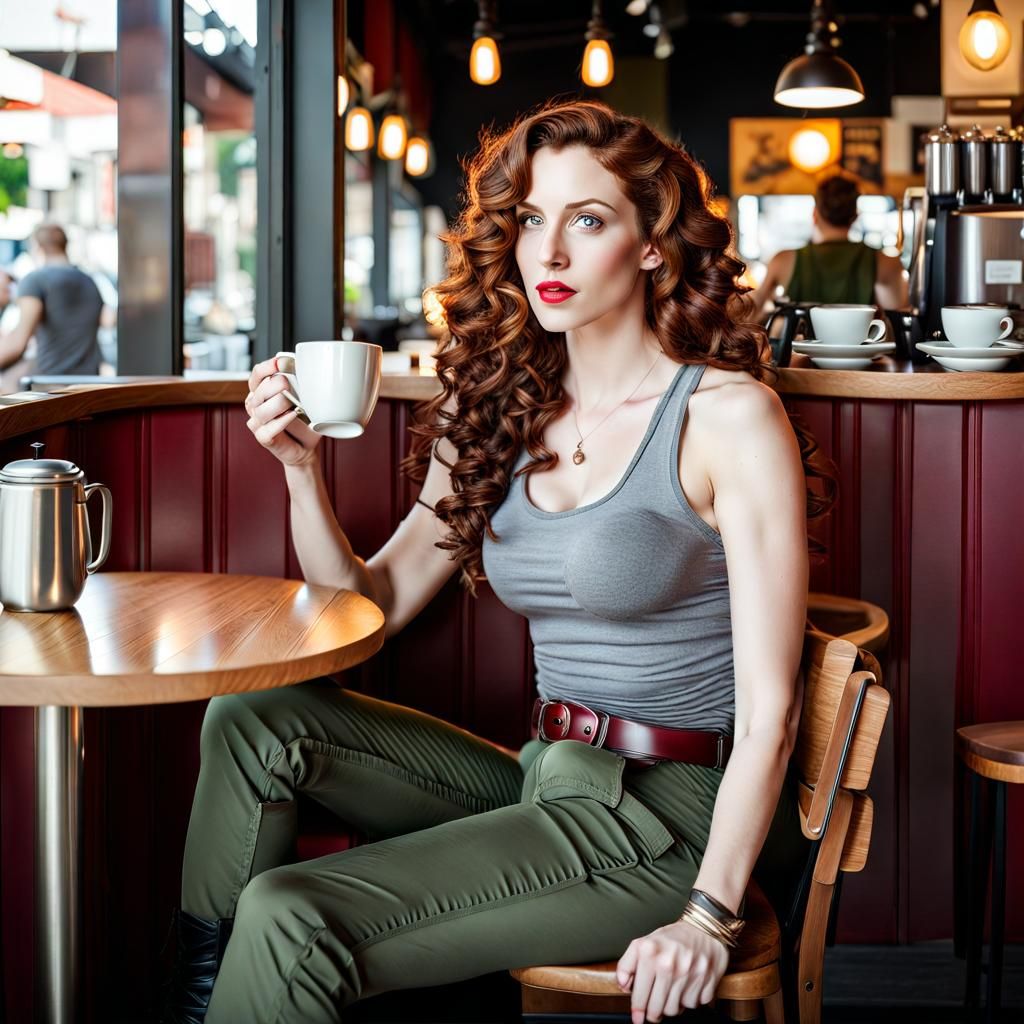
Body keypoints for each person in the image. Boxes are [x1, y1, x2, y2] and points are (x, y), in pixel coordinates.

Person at [163, 99, 835, 1024]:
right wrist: (298, 469)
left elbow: (772, 708)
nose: (548, 253)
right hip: (548, 774)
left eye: (587, 221)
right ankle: (207, 1003)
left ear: (650, 245)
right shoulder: (503, 409)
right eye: (530, 220)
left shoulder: (725, 417)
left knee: (294, 914)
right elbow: (370, 600)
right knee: (253, 721)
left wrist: (709, 916)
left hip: (669, 820)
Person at [748, 174, 908, 317]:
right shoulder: (886, 262)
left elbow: (752, 312)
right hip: (861, 350)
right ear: (855, 216)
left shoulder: (783, 260)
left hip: (799, 350)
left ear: (814, 214)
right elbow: (897, 317)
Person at [0, 223, 105, 377]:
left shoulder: (35, 281)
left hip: (51, 385)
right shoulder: (90, 282)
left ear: (37, 247)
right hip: (88, 384)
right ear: (65, 245)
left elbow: (18, 343)